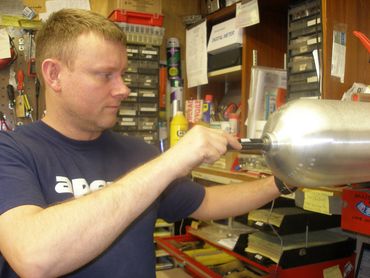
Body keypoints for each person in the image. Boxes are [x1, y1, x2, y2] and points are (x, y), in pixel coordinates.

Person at [0, 9, 289, 278]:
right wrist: (172, 161)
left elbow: (208, 202)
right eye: (105, 75)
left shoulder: (138, 154)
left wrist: (283, 181)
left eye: (123, 74)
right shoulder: (11, 152)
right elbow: (33, 256)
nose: (124, 88)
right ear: (54, 75)